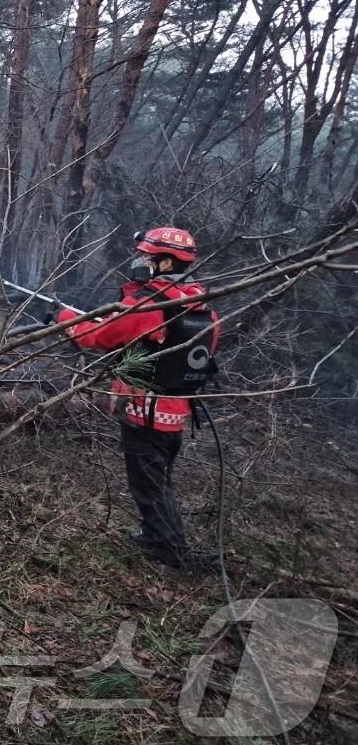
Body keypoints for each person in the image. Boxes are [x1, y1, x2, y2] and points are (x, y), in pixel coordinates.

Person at [56, 227, 218, 568]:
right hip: (174, 413)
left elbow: (96, 336)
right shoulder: (200, 306)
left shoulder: (148, 304)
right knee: (159, 481)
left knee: (148, 487)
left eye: (146, 256)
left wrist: (66, 319)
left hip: (143, 412)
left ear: (165, 261)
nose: (139, 261)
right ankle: (159, 536)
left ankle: (167, 551)